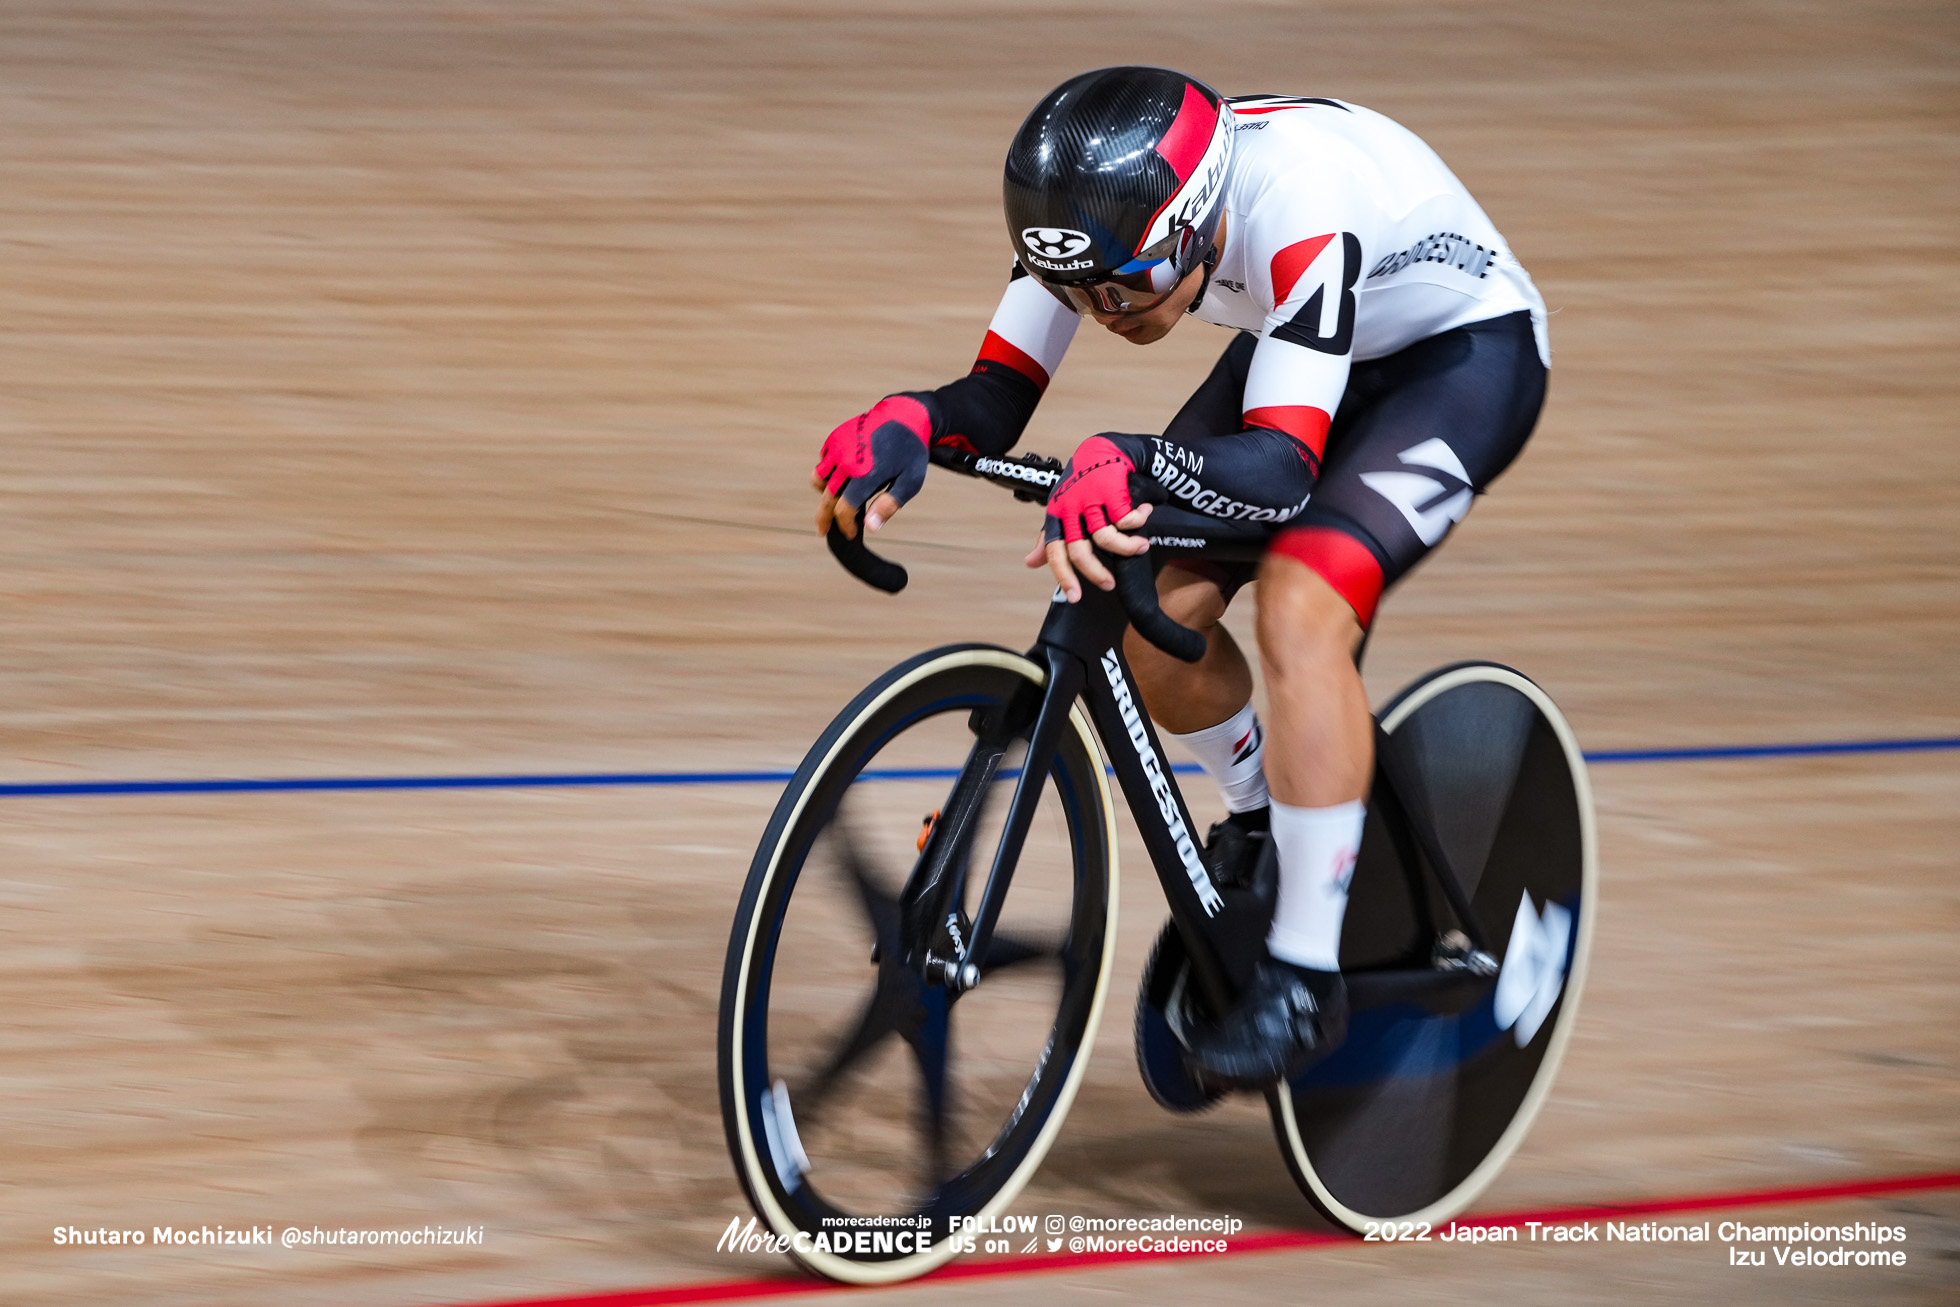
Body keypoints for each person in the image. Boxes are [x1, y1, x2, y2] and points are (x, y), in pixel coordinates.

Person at [810, 66, 1550, 1088]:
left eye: (1124, 288)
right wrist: (910, 420)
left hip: (1453, 362)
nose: (1101, 311)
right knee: (1138, 618)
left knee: (1301, 606)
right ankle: (1264, 815)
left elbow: (1284, 470)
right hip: (1302, 342)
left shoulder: (1300, 206)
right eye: (1075, 292)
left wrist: (1133, 456)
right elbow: (991, 398)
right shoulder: (1092, 229)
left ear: (1198, 226)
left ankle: (1303, 979)